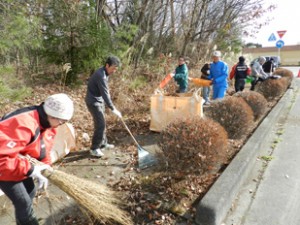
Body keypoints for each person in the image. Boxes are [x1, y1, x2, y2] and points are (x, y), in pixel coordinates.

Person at [0, 93, 74, 225]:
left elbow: (44, 148)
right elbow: (2, 160)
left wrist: (45, 167)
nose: (62, 124)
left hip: (17, 161)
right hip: (4, 166)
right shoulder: (23, 124)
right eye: (61, 120)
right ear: (51, 115)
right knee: (23, 202)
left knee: (31, 191)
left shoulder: (49, 124)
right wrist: (31, 169)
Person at [85, 56, 123, 158]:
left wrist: (109, 105)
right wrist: (113, 108)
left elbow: (105, 92)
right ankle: (94, 148)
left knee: (102, 123)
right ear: (107, 65)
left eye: (116, 69)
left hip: (99, 101)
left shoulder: (106, 73)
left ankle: (103, 143)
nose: (114, 71)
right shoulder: (100, 75)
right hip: (93, 102)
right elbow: (105, 93)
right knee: (100, 124)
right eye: (113, 68)